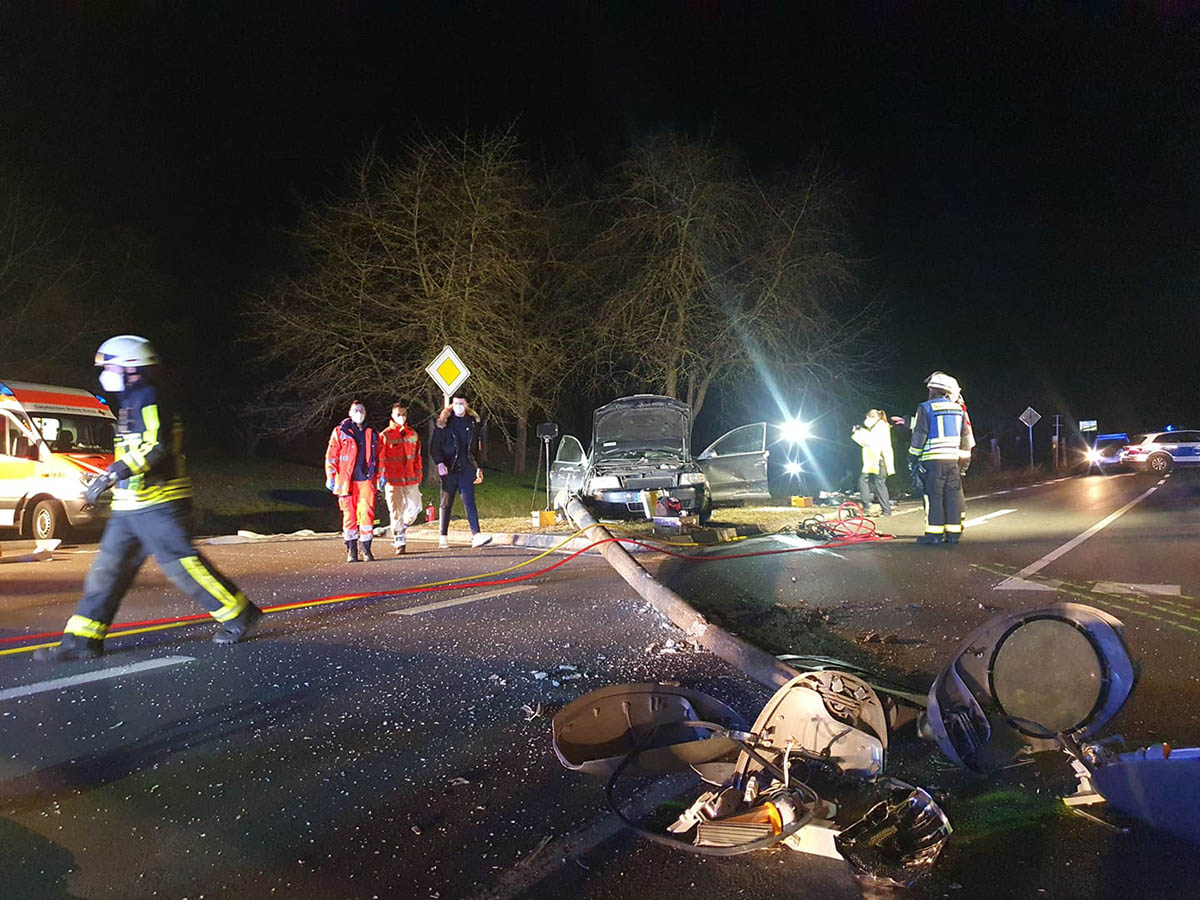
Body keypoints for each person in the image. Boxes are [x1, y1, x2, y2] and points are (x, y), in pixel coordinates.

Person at [34, 335, 261, 662]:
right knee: (107, 571)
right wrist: (110, 477)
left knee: (182, 566)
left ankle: (239, 614)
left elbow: (156, 446)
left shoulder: (150, 398)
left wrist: (114, 473)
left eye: (110, 366)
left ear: (131, 369)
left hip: (160, 503)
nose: (105, 373)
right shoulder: (131, 402)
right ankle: (82, 640)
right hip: (131, 506)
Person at [909, 371, 974, 545]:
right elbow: (965, 436)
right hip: (952, 460)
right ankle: (953, 535)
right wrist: (964, 462)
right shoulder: (958, 409)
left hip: (933, 461)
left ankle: (934, 535)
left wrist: (912, 457)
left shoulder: (926, 407)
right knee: (952, 496)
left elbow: (920, 435)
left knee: (934, 497)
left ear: (933, 391)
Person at [429, 393, 491, 549]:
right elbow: (435, 446)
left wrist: (478, 468)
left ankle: (476, 535)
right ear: (451, 404)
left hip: (467, 467)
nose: (458, 406)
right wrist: (439, 463)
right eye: (456, 403)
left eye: (461, 403)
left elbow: (476, 449)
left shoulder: (472, 422)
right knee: (446, 502)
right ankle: (443, 536)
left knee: (469, 500)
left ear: (466, 404)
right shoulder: (444, 423)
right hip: (449, 468)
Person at [325, 400, 381, 562]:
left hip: (365, 480)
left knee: (367, 515)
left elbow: (379, 456)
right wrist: (331, 475)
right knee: (349, 515)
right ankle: (351, 550)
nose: (359, 412)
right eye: (355, 410)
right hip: (346, 481)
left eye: (361, 410)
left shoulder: (372, 432)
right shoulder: (340, 432)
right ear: (349, 413)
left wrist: (380, 475)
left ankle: (366, 550)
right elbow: (331, 455)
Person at [378, 403, 423, 555]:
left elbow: (417, 457)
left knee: (416, 507)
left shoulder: (413, 434)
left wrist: (418, 474)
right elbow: (381, 458)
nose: (401, 417)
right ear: (392, 415)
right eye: (398, 414)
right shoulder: (385, 435)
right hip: (393, 479)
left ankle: (402, 527)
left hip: (410, 478)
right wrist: (381, 476)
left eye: (404, 414)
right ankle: (399, 541)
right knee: (396, 510)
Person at [851, 409, 894, 516]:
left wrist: (858, 432)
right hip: (879, 461)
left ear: (874, 417)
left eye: (867, 418)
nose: (866, 420)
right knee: (878, 484)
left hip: (877, 460)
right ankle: (885, 509)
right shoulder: (881, 426)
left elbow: (869, 442)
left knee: (865, 480)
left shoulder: (880, 427)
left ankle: (867, 506)